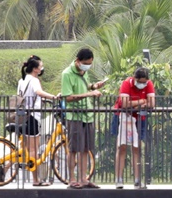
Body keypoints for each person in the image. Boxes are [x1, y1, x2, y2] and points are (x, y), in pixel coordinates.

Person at [58, 47, 105, 188]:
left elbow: (83, 87)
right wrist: (89, 94)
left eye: (90, 63)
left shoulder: (84, 72)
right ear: (78, 61)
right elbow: (68, 97)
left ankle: (83, 178)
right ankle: (72, 179)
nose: (87, 66)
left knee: (85, 149)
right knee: (73, 149)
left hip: (87, 115)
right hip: (75, 116)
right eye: (86, 63)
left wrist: (93, 86)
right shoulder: (67, 74)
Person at [114, 65, 156, 188]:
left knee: (137, 148)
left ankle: (137, 179)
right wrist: (142, 101)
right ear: (134, 78)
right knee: (122, 147)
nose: (142, 85)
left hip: (139, 119)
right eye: (139, 82)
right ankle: (119, 179)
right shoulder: (126, 83)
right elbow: (125, 103)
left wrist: (135, 105)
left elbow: (152, 103)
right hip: (124, 117)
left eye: (144, 82)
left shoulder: (149, 84)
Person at [15, 55, 47, 183]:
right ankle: (35, 180)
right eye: (40, 66)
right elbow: (38, 92)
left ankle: (5, 167)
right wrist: (53, 97)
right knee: (34, 149)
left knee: (27, 149)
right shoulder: (34, 80)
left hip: (22, 116)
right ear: (35, 69)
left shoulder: (21, 80)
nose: (42, 68)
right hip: (33, 117)